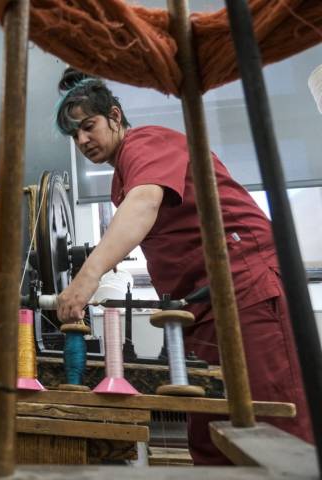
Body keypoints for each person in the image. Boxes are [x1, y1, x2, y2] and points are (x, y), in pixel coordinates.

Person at [53, 68, 312, 465]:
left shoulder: (146, 142)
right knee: (210, 430)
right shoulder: (122, 174)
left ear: (116, 117)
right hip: (202, 307)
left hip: (246, 287)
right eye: (75, 135)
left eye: (89, 126)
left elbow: (143, 205)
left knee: (271, 425)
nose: (83, 140)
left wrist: (86, 278)